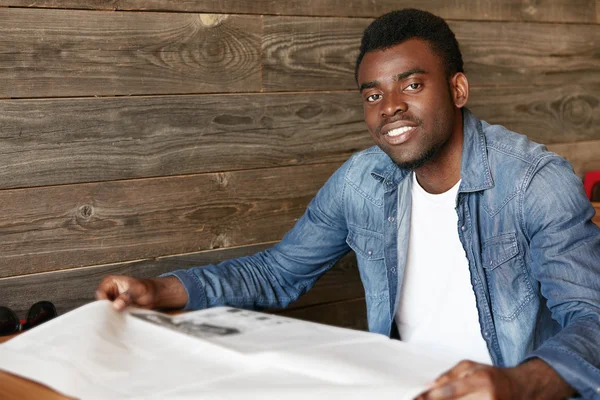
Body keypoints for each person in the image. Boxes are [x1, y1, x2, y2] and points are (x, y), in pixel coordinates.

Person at [96, 8, 600, 400]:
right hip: (402, 385)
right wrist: (158, 290)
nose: (391, 107)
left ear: (458, 88)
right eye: (372, 95)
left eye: (412, 84)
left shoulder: (534, 181)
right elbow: (278, 272)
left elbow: (591, 319)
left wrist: (517, 385)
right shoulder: (363, 181)